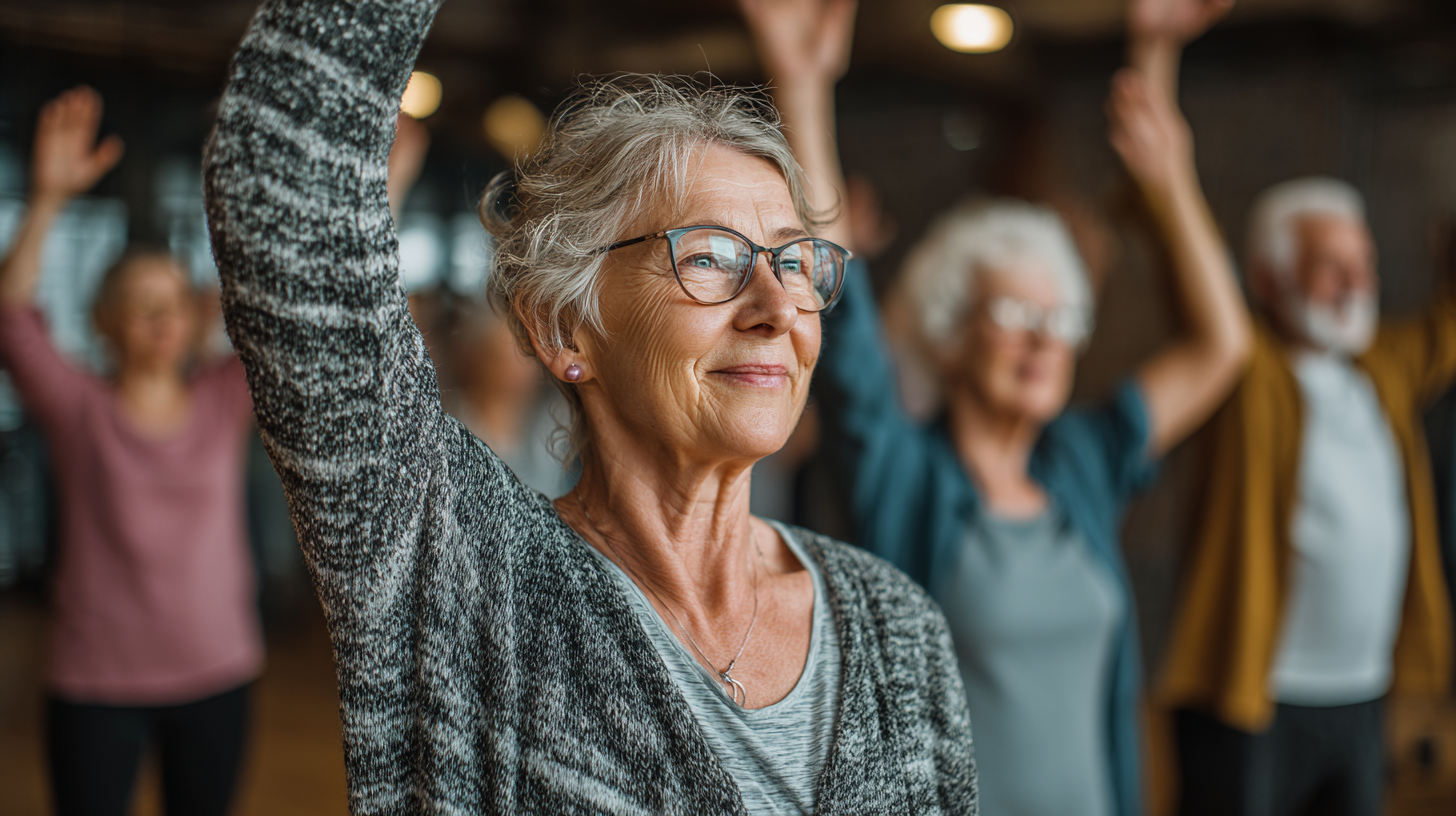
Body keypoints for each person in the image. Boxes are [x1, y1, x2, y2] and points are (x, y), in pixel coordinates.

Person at [202, 0, 977, 813]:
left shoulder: (897, 628)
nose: (777, 306)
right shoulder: (467, 575)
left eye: (795, 261)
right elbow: (282, 182)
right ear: (565, 327)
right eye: (710, 258)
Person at [748, 0, 1250, 813]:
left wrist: (1171, 179)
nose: (1044, 342)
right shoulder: (902, 474)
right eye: (1014, 315)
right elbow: (836, 289)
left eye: (1060, 321)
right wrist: (803, 89)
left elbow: (1221, 348)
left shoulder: (1082, 464)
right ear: (951, 337)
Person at [0, 87, 259, 816]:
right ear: (104, 322)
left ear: (193, 315)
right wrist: (48, 197)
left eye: (171, 300)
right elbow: (11, 319)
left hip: (218, 667)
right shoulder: (78, 407)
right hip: (96, 677)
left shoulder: (224, 395)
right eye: (138, 302)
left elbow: (296, 318)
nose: (158, 316)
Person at [1160, 196, 1456, 814]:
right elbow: (1193, 287)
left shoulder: (1383, 368)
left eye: (1365, 264)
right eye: (1332, 266)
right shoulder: (1244, 369)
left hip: (1362, 693)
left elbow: (1447, 326)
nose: (1357, 284)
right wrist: (1165, 184)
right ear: (1268, 279)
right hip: (1252, 700)